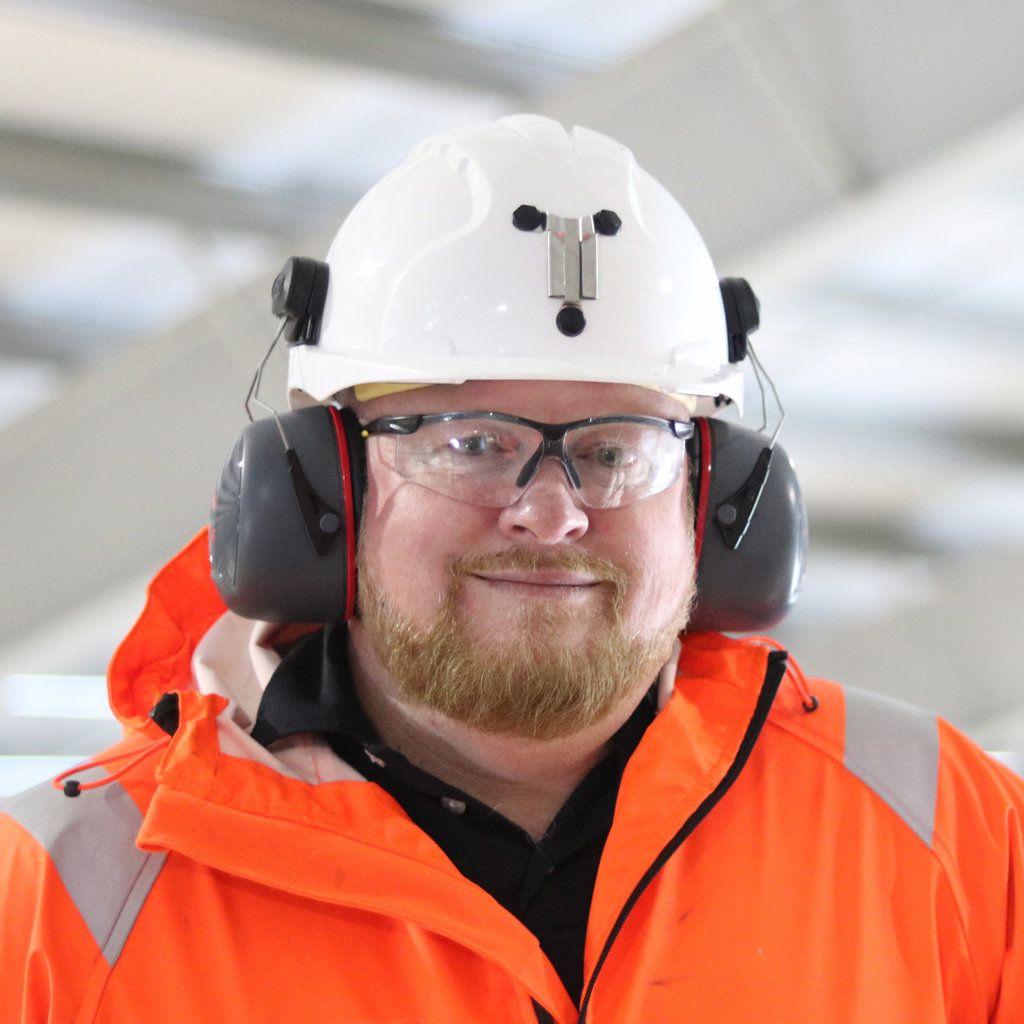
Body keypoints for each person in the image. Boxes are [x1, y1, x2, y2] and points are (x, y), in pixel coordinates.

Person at [1, 115, 1021, 1023]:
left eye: (616, 450)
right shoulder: (53, 910)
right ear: (324, 484)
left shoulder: (957, 840)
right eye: (471, 442)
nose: (551, 511)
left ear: (713, 502)